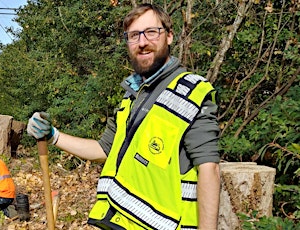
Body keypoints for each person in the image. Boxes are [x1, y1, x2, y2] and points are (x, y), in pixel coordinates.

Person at [27, 3, 220, 229]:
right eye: (134, 35)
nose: (142, 42)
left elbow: (210, 169)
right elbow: (104, 150)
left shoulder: (192, 92)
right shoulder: (133, 96)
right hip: (120, 221)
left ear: (168, 36)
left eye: (151, 32)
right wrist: (53, 136)